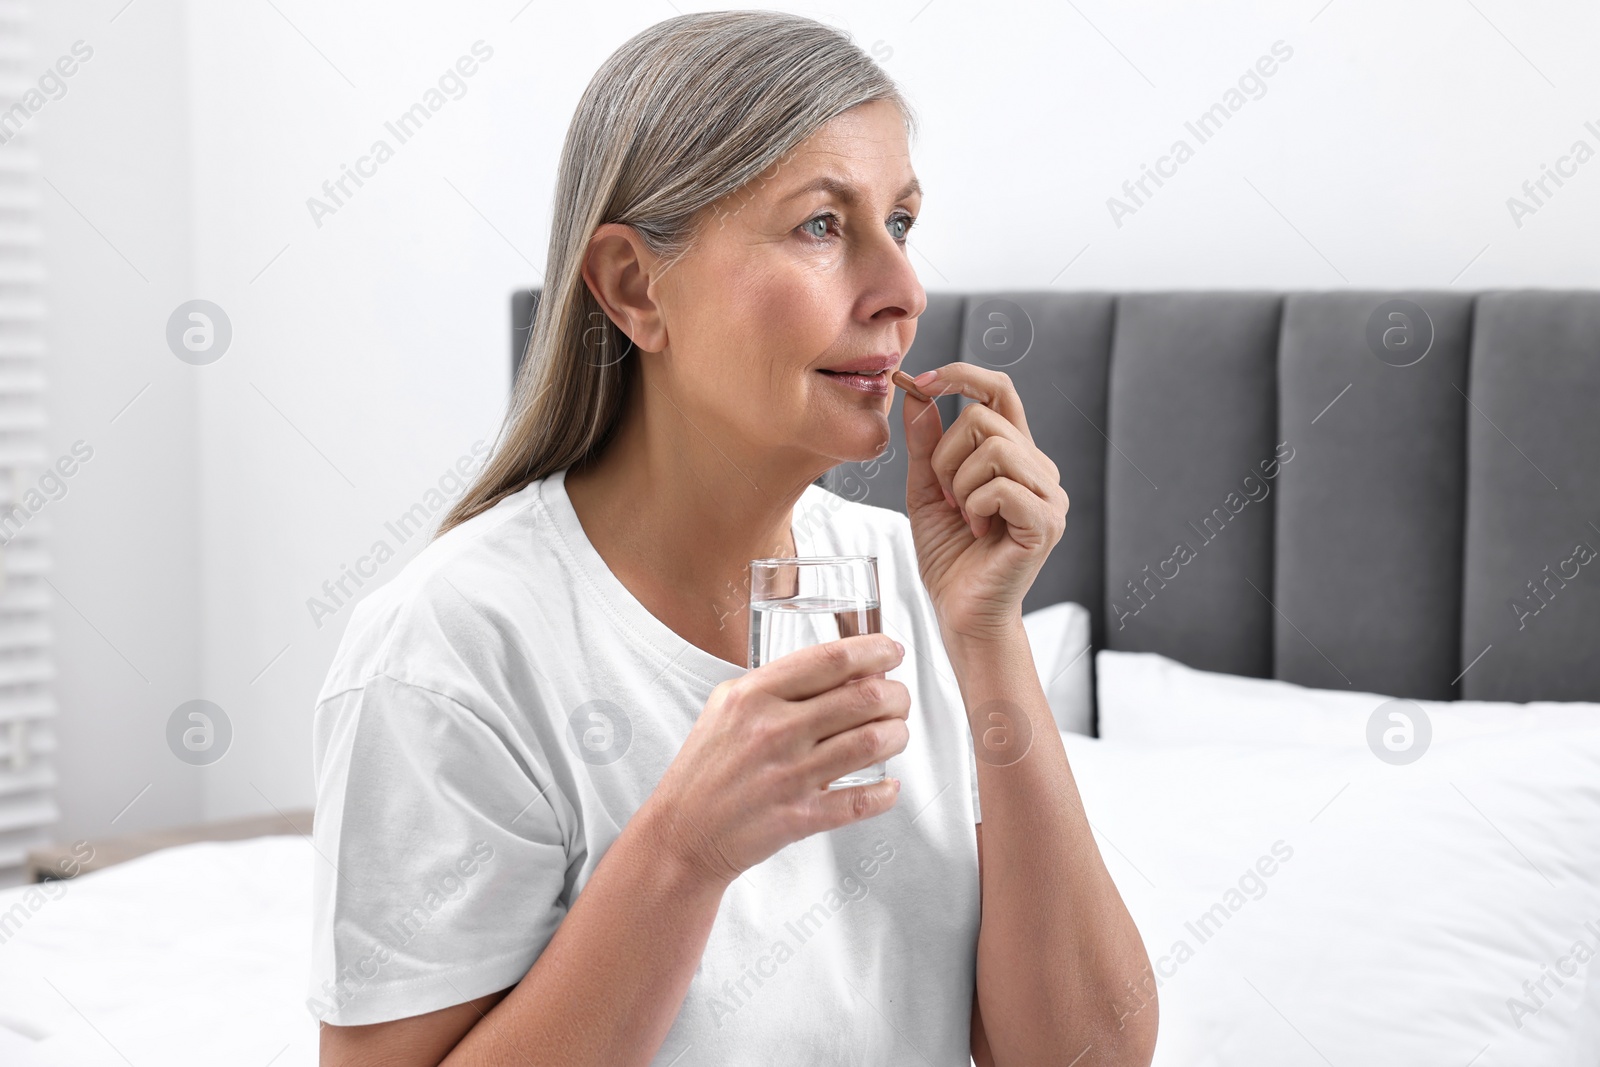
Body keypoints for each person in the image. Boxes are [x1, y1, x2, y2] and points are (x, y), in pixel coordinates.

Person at [310, 10, 1156, 1065]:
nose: (903, 291)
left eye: (897, 222)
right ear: (633, 286)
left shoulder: (914, 584)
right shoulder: (449, 650)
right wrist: (681, 849)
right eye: (819, 225)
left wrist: (987, 638)